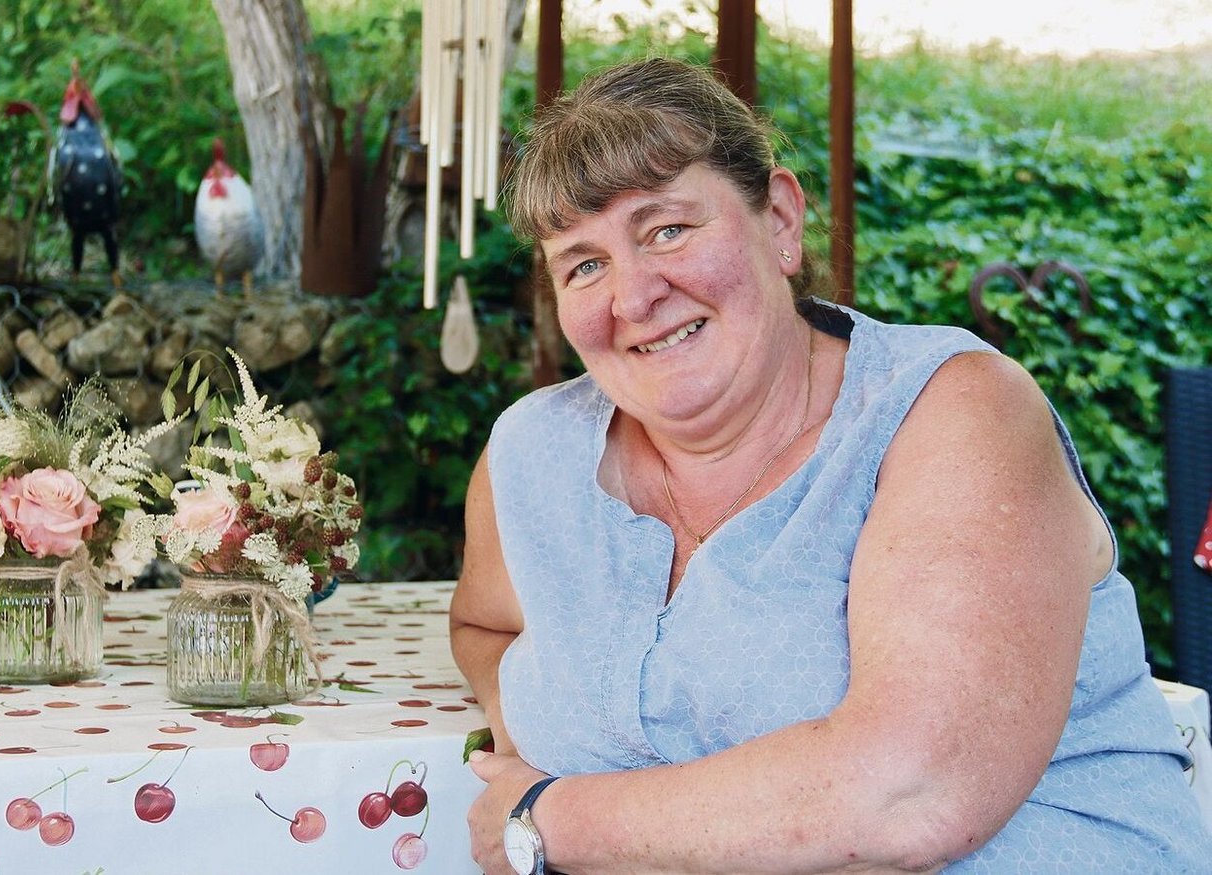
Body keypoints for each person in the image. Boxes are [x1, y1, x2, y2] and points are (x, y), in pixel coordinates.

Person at [449, 57, 1212, 874]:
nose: (632, 297)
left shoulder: (951, 412)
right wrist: (530, 708)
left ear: (780, 219)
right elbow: (485, 624)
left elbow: (911, 792)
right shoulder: (534, 454)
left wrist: (549, 818)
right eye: (584, 263)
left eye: (667, 229)